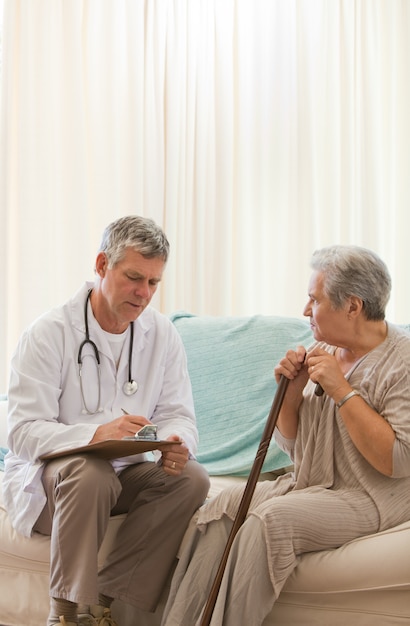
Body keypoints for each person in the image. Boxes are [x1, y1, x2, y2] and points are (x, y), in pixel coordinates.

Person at [161, 244, 410, 626]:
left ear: (353, 306)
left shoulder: (402, 363)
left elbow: (396, 461)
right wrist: (290, 395)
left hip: (368, 495)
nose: (306, 311)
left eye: (315, 300)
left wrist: (343, 391)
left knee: (269, 521)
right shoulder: (324, 350)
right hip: (310, 484)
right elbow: (297, 448)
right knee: (220, 510)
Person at [3, 215, 210, 626]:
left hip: (124, 477)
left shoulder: (162, 334)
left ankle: (103, 607)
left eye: (153, 283)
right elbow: (21, 432)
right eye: (134, 277)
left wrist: (175, 440)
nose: (144, 293)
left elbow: (178, 413)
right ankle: (63, 614)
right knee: (90, 472)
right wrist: (96, 435)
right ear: (101, 266)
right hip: (53, 483)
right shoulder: (49, 333)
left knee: (192, 479)